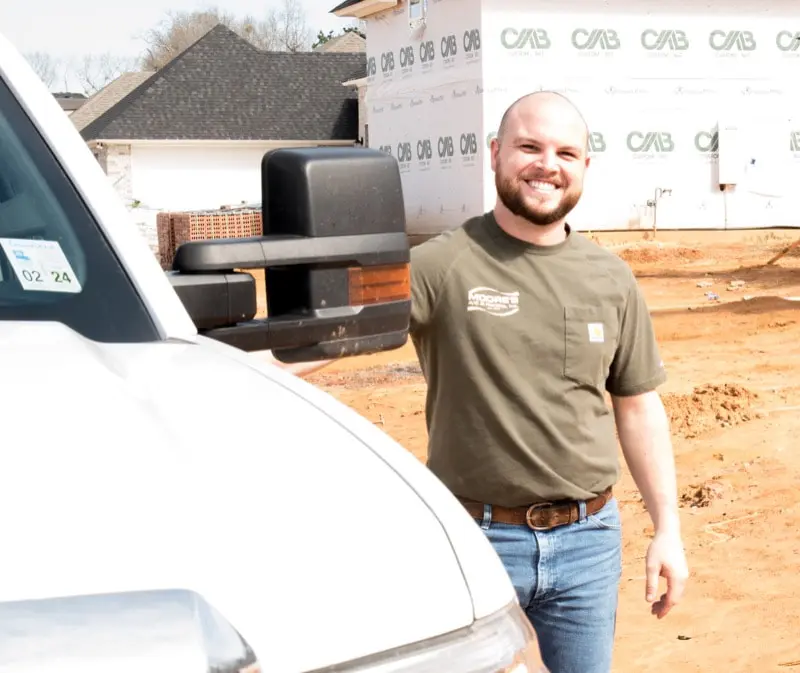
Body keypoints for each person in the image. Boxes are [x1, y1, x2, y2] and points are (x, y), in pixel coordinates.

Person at [270, 90, 689, 673]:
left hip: (589, 543)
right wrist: (223, 370)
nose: (548, 164)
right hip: (478, 543)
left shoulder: (611, 278)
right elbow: (323, 339)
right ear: (494, 153)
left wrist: (667, 529)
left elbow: (639, 408)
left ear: (585, 168)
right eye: (529, 146)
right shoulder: (443, 264)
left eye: (566, 152)